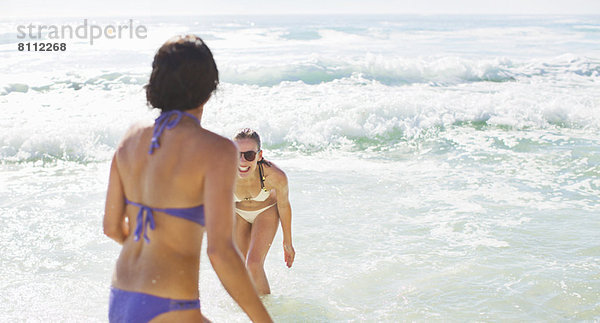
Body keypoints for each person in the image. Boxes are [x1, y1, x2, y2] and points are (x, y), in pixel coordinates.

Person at [103, 35, 271, 323]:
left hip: (121, 296)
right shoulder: (216, 150)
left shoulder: (131, 137)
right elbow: (221, 252)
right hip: (170, 306)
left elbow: (111, 227)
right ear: (209, 89)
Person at [233, 128, 295, 295]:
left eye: (249, 155)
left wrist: (287, 242)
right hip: (238, 214)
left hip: (265, 212)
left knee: (253, 264)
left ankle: (267, 313)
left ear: (259, 156)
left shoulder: (275, 176)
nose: (242, 161)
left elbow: (283, 206)